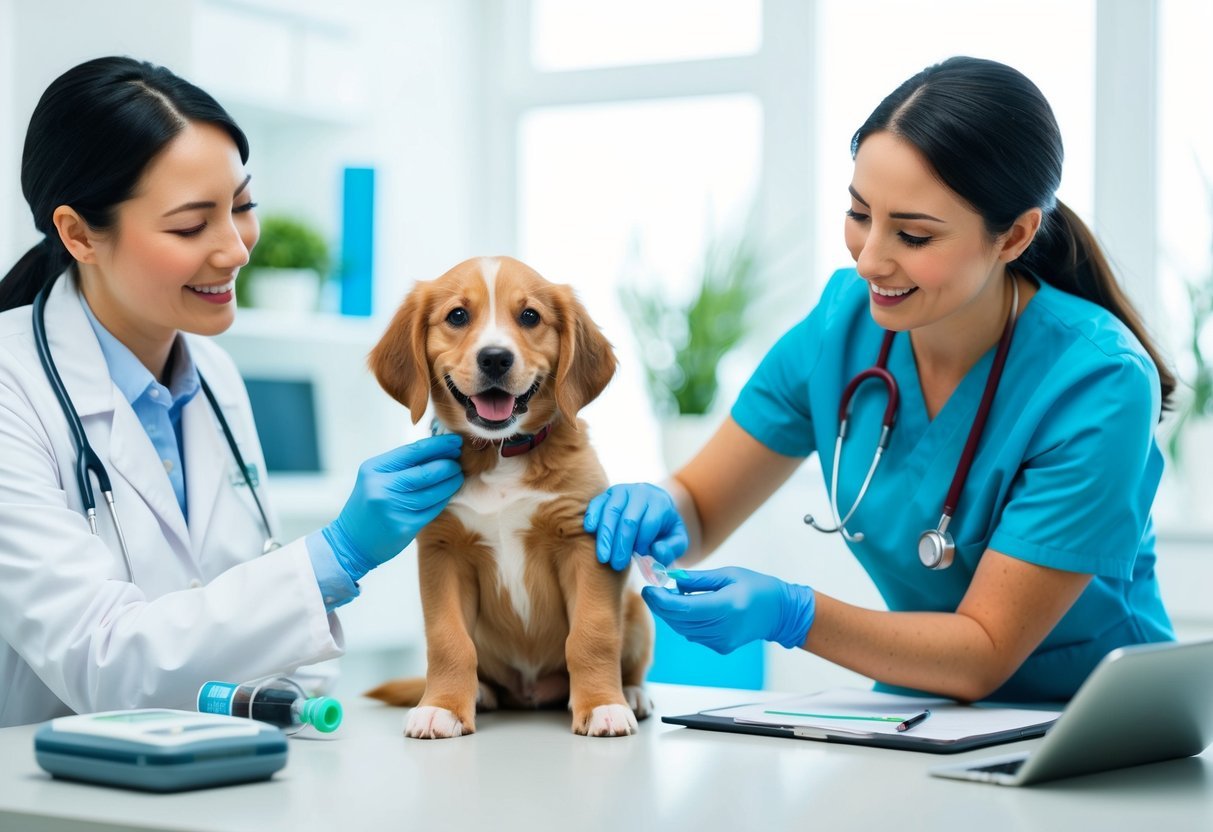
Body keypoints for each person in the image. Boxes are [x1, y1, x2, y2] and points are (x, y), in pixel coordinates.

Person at [586, 56, 1175, 703]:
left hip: (1092, 725)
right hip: (923, 706)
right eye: (859, 213)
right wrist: (660, 510)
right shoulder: (841, 325)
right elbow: (700, 504)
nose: (869, 260)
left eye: (913, 234)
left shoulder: (1098, 382)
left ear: (1013, 236)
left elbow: (981, 652)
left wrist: (793, 613)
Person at [0, 57, 462, 727]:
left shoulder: (214, 379)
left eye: (242, 207)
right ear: (77, 234)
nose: (236, 249)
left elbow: (254, 641)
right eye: (191, 226)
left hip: (208, 781)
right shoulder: (14, 386)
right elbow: (103, 660)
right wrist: (334, 558)